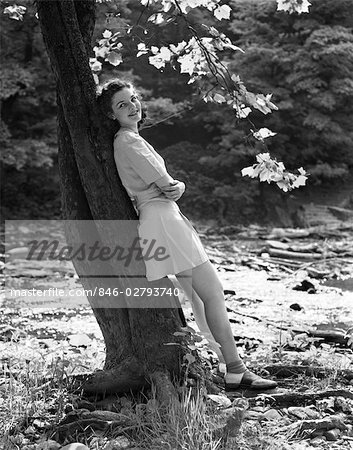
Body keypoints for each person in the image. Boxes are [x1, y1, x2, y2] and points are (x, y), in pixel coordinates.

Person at [96, 78, 278, 391]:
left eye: (133, 99)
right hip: (162, 220)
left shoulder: (129, 140)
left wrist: (171, 189)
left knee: (201, 298)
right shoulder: (129, 141)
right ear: (111, 114)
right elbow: (167, 184)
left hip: (160, 220)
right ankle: (235, 368)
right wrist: (179, 186)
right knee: (213, 294)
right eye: (121, 105)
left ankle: (231, 368)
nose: (131, 106)